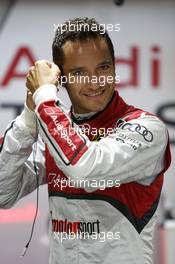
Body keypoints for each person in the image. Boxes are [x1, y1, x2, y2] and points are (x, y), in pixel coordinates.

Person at [0, 17, 171, 264]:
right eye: (79, 72)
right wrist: (29, 116)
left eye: (103, 68)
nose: (95, 82)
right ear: (61, 80)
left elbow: (86, 170)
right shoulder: (55, 133)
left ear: (114, 67)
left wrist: (45, 100)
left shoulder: (147, 127)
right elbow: (3, 194)